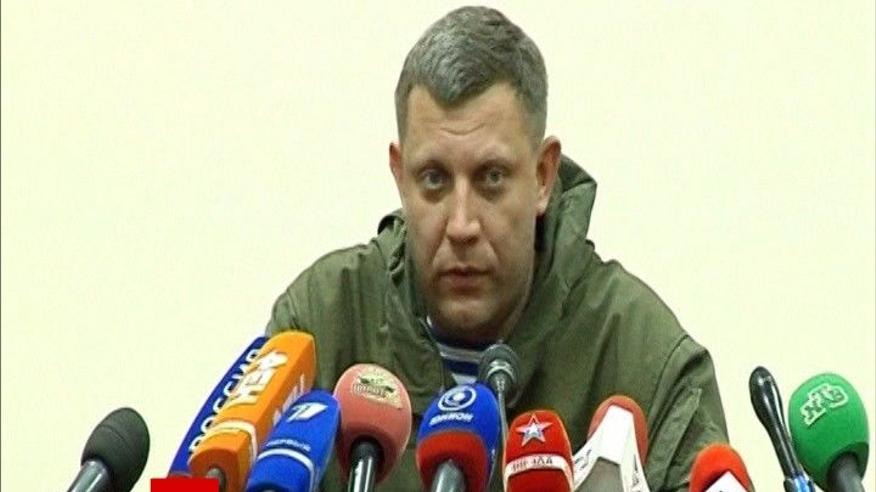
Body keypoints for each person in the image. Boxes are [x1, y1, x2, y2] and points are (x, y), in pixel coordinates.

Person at [266, 6, 727, 491]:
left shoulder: (641, 357)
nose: (461, 225)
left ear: (543, 176)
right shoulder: (323, 326)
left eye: (491, 178)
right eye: (434, 179)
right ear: (400, 177)